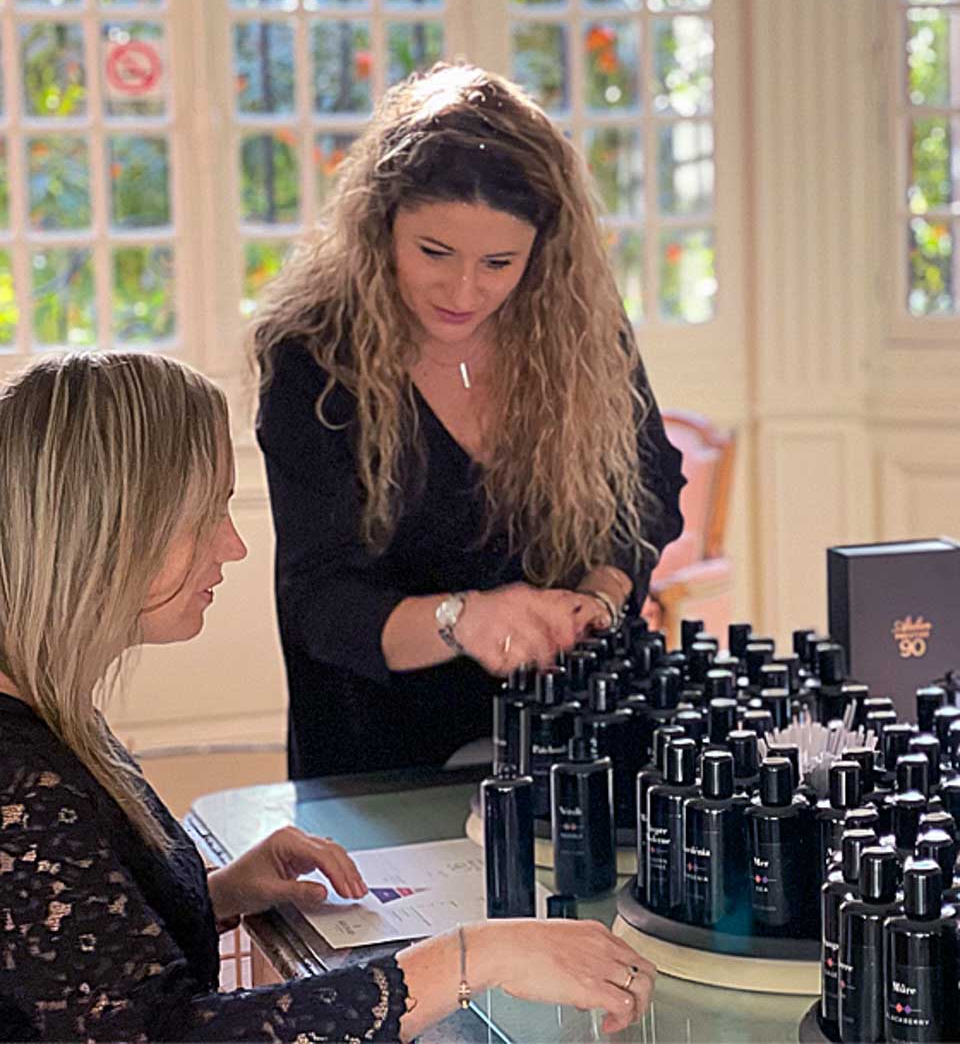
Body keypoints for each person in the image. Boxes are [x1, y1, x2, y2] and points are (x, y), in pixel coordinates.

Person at [0, 351, 654, 1042]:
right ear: (109, 527)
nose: (234, 546)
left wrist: (216, 894)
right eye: (207, 515)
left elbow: (68, 975)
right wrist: (472, 957)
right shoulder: (19, 783)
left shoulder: (50, 715)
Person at [253, 62, 685, 779]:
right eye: (434, 252)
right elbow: (320, 604)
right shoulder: (314, 357)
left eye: (498, 263)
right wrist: (461, 619)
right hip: (378, 763)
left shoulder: (583, 334)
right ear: (381, 226)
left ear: (541, 254)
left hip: (565, 742)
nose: (463, 290)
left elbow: (648, 492)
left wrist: (600, 596)